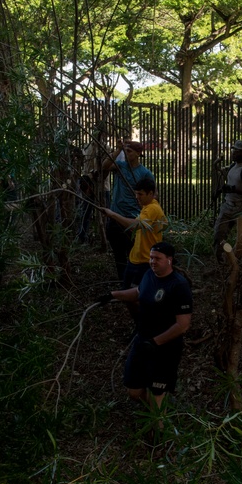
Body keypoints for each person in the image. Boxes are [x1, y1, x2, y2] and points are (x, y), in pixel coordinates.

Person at [97, 241, 193, 415]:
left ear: (169, 260)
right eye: (151, 257)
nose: (152, 261)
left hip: (165, 348)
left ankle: (158, 432)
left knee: (157, 392)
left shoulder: (179, 285)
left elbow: (183, 325)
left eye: (157, 258)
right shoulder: (149, 275)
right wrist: (113, 295)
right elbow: (138, 293)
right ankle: (154, 414)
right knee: (133, 390)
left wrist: (156, 342)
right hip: (142, 340)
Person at [101, 176, 167, 290]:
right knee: (127, 292)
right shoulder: (147, 207)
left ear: (150, 193)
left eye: (140, 194)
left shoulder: (152, 209)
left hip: (144, 261)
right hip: (136, 259)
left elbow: (136, 225)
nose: (137, 197)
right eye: (136, 193)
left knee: (135, 294)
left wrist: (113, 215)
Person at [102, 141, 154, 281]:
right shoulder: (120, 167)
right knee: (118, 254)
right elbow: (104, 165)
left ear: (138, 154)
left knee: (133, 252)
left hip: (133, 219)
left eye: (129, 151)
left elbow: (152, 197)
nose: (126, 154)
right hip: (115, 216)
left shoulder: (145, 173)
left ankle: (134, 282)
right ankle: (123, 282)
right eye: (126, 151)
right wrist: (118, 150)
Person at [212, 140, 242, 262]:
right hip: (227, 206)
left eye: (236, 151)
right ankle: (221, 260)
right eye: (233, 150)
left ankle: (241, 261)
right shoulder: (233, 166)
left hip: (241, 208)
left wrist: (234, 189)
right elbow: (225, 177)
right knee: (219, 234)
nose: (233, 153)